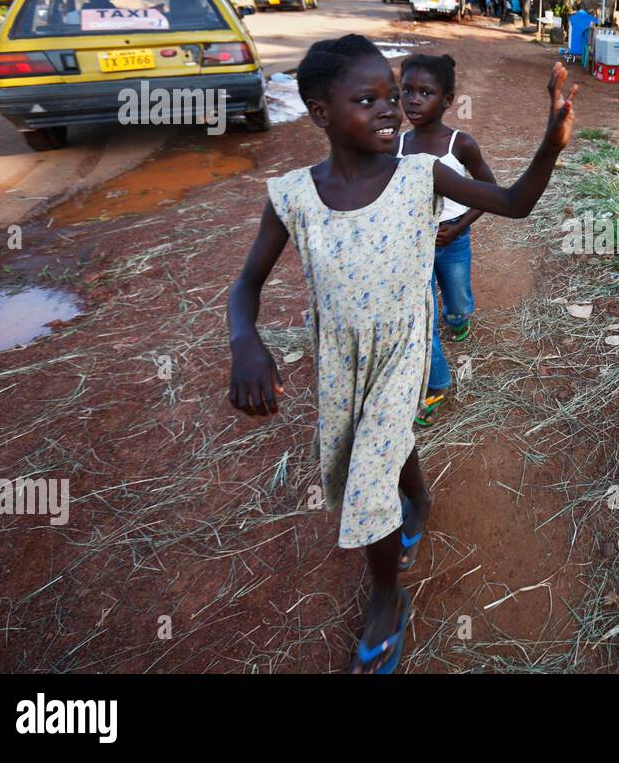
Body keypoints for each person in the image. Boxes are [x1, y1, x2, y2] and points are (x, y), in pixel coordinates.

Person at [227, 35, 577, 673]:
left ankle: (386, 599)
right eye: (369, 100)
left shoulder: (422, 174)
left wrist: (549, 145)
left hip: (404, 348)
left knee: (366, 483)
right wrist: (245, 341)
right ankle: (417, 498)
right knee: (370, 445)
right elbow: (246, 284)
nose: (391, 110)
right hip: (340, 356)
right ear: (320, 113)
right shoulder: (294, 197)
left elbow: (514, 204)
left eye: (394, 97)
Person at [396, 54, 497, 426]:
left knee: (456, 299)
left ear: (448, 100)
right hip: (413, 245)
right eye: (407, 90)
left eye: (426, 92)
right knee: (422, 318)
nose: (414, 100)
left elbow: (489, 188)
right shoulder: (397, 146)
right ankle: (434, 383)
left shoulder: (461, 144)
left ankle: (458, 317)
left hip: (453, 238)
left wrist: (459, 226)